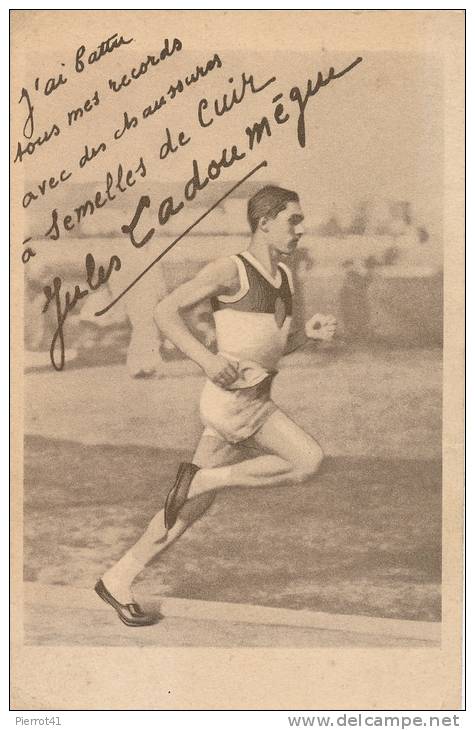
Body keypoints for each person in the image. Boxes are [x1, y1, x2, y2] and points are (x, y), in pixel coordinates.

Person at [95, 185, 337, 626]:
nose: (300, 229)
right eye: (293, 220)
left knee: (187, 511)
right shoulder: (232, 269)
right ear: (264, 221)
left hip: (255, 403)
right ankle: (205, 480)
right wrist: (206, 359)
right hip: (230, 405)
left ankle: (117, 578)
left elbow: (271, 350)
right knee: (307, 460)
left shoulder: (283, 276)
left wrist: (310, 337)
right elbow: (165, 311)